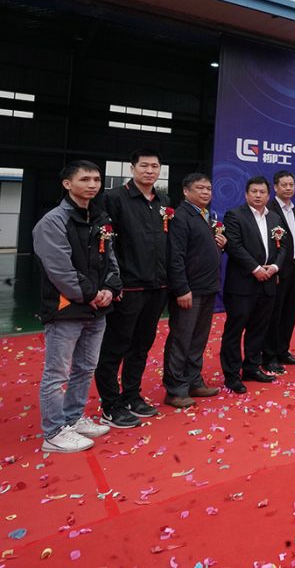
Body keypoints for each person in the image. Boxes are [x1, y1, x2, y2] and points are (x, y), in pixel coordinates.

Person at [33, 160, 121, 453]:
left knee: (85, 367)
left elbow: (110, 259)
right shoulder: (53, 222)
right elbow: (59, 268)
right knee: (56, 374)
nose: (92, 184)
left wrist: (110, 288)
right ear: (67, 184)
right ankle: (54, 432)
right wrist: (91, 293)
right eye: (85, 179)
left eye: (96, 179)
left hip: (96, 307)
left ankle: (73, 418)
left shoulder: (100, 218)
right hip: (66, 309)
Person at [94, 149, 170, 429]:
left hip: (157, 286)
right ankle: (110, 405)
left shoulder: (163, 201)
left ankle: (131, 395)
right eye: (144, 166)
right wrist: (113, 282)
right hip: (128, 287)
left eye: (155, 166)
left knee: (141, 346)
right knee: (115, 347)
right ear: (132, 168)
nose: (150, 171)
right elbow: (105, 244)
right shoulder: (114, 199)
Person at [220, 176, 289, 393]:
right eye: (254, 192)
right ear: (246, 194)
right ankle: (232, 375)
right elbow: (234, 246)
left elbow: (283, 246)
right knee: (235, 330)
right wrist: (256, 269)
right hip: (242, 284)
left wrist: (274, 267)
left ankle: (251, 367)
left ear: (268, 195)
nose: (258, 195)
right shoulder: (235, 215)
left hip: (268, 282)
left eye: (262, 192)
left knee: (259, 329)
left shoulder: (275, 217)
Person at [163, 173, 226, 408]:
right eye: (200, 188)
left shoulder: (205, 215)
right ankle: (175, 389)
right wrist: (181, 288)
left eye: (208, 188)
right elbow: (176, 256)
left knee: (198, 339)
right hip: (189, 289)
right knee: (181, 339)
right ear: (186, 191)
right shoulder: (181, 216)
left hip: (207, 286)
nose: (206, 192)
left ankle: (193, 381)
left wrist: (220, 244)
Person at [265, 170, 295, 373]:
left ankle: (283, 351)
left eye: (291, 185)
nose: (288, 188)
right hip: (278, 270)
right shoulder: (269, 210)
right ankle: (269, 355)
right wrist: (274, 268)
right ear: (275, 187)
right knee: (275, 314)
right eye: (284, 185)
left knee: (290, 313)